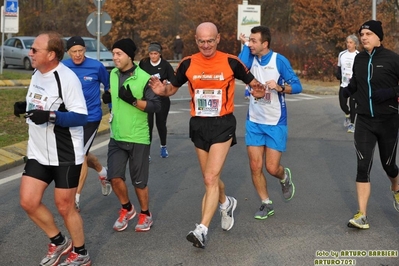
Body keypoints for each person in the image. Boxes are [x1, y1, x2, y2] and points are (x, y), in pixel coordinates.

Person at [149, 22, 265, 248]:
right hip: (199, 125)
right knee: (209, 179)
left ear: (218, 39)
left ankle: (201, 229)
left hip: (223, 124)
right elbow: (172, 88)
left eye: (210, 40)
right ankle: (226, 202)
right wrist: (162, 91)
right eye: (201, 41)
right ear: (195, 40)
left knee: (211, 178)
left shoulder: (232, 61)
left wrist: (259, 93)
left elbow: (254, 85)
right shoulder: (188, 63)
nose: (206, 45)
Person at [15, 32, 91, 265]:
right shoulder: (37, 72)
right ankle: (59, 242)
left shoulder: (67, 78)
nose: (30, 53)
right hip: (39, 151)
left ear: (51, 54)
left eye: (35, 50)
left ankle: (81, 253)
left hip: (65, 152)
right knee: (28, 201)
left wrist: (49, 116)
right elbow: (39, 101)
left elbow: (81, 116)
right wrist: (25, 106)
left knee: (64, 206)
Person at [238, 26, 302, 220]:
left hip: (275, 122)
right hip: (254, 121)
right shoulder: (250, 57)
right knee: (255, 166)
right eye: (249, 40)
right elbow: (238, 68)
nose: (250, 44)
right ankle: (266, 203)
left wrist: (280, 87)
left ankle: (284, 177)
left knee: (271, 168)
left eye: (254, 41)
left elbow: (298, 86)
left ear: (264, 44)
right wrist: (244, 47)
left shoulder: (279, 61)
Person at [343, 20, 399, 229]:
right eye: (361, 34)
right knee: (363, 166)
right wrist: (347, 90)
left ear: (378, 37)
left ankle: (396, 186)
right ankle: (362, 215)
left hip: (388, 121)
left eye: (368, 33)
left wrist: (391, 92)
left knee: (388, 165)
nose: (364, 37)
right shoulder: (358, 60)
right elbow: (356, 84)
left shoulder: (393, 59)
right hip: (364, 120)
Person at [104, 38, 161, 232]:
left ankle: (145, 214)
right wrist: (108, 95)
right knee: (114, 177)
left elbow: (155, 106)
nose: (115, 58)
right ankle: (127, 208)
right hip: (117, 135)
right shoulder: (112, 73)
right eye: (113, 54)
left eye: (118, 54)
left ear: (129, 55)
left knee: (139, 182)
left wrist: (134, 101)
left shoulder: (145, 78)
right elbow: (113, 91)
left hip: (138, 137)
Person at [63, 36, 112, 212]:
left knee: (80, 155)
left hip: (91, 117)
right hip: (69, 118)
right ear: (68, 53)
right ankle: (102, 172)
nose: (77, 55)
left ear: (85, 50)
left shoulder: (96, 66)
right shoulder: (63, 68)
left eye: (81, 51)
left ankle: (75, 197)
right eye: (74, 51)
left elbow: (109, 87)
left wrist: (112, 109)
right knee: (80, 152)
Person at [139, 42, 175, 159]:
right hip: (148, 99)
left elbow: (174, 80)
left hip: (162, 100)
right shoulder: (144, 63)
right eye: (151, 54)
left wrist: (166, 84)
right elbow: (137, 77)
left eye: (155, 54)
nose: (153, 56)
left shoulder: (165, 65)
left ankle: (163, 146)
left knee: (161, 124)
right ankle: (147, 152)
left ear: (159, 54)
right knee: (148, 125)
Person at [336, 35, 359, 133]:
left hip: (354, 86)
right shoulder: (342, 54)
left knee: (353, 105)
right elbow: (338, 68)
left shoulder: (359, 55)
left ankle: (352, 125)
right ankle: (347, 114)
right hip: (344, 84)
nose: (348, 44)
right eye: (347, 42)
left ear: (355, 44)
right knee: (342, 105)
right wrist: (338, 75)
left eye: (351, 42)